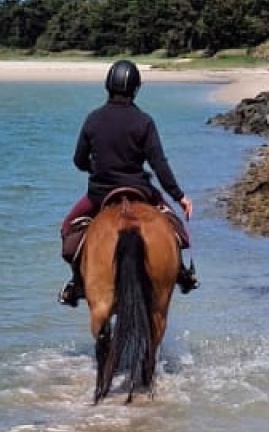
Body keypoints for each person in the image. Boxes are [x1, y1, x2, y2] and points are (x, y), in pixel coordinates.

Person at [58, 59, 198, 306]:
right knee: (178, 233)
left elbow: (79, 160)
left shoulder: (93, 119)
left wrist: (99, 169)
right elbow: (159, 164)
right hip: (140, 192)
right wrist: (179, 196)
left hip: (100, 194)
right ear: (135, 88)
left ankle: (76, 283)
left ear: (108, 86)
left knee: (68, 227)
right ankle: (182, 273)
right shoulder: (144, 121)